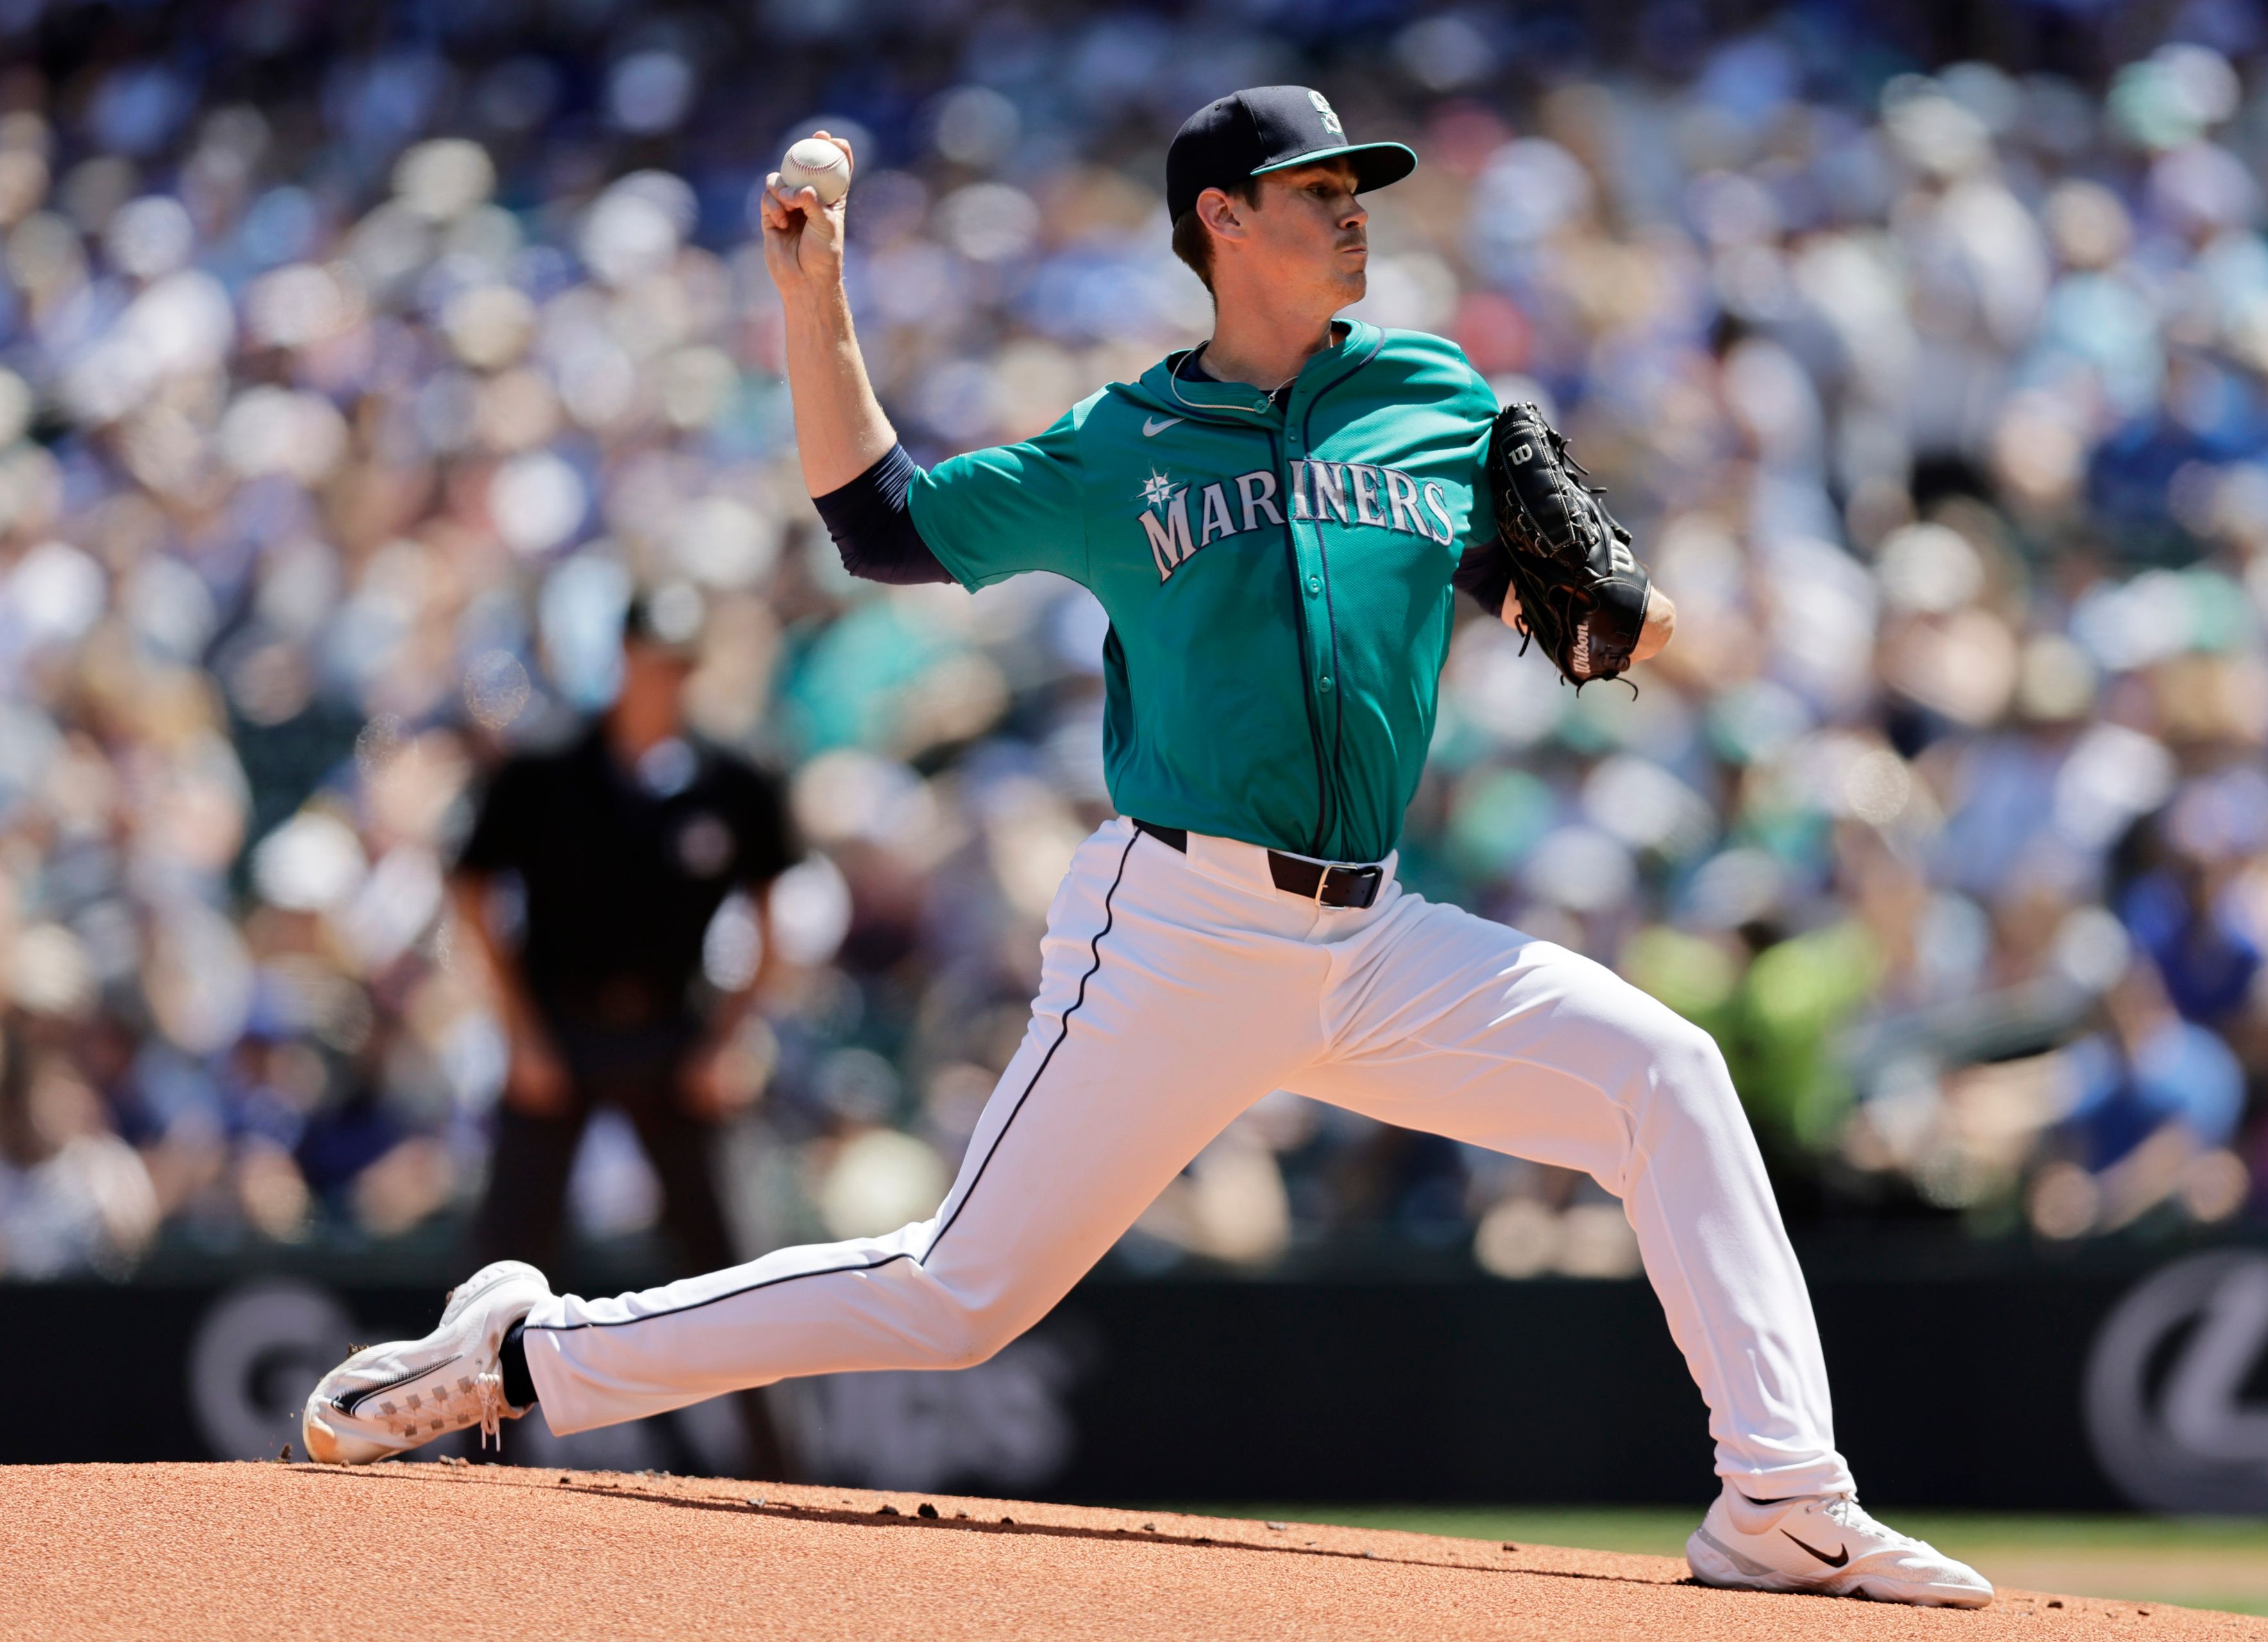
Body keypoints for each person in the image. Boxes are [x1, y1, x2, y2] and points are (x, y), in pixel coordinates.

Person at [304, 85, 1990, 1607]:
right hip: (1180, 931)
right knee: (957, 1298)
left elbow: (1612, 630)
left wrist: (1627, 610)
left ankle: (1779, 1500)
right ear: (1221, 222)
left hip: (1376, 937)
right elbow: (880, 524)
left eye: (1360, 189)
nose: (1357, 213)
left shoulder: (1430, 399)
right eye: (1318, 189)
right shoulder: (1126, 445)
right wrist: (814, 300)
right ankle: (526, 1357)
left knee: (1668, 1077)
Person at [444, 595, 793, 1478]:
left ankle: (784, 1470)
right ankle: (471, 1473)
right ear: (625, 657)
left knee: (735, 1263)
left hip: (676, 1033)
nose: (664, 679)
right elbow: (473, 892)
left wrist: (731, 1035)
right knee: (506, 1262)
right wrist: (520, 1033)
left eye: (680, 662)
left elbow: (774, 914)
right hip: (559, 1027)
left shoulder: (734, 776)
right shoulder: (545, 767)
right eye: (652, 659)